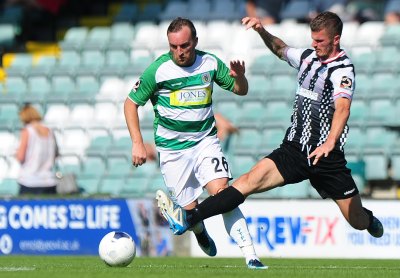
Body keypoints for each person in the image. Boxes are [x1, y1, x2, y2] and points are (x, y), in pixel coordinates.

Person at [157, 12, 384, 241]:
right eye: (312, 40)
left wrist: (330, 142)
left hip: (326, 157)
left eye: (320, 41)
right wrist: (261, 31)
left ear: (336, 39)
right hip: (294, 150)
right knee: (246, 182)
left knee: (356, 221)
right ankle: (189, 218)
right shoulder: (307, 57)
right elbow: (280, 49)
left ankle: (369, 219)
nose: (314, 45)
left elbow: (343, 108)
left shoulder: (343, 70)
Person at [124, 17, 267, 269]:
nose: (179, 52)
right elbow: (130, 103)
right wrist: (137, 142)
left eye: (185, 46)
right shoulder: (158, 71)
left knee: (224, 194)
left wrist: (241, 77)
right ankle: (200, 231)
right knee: (191, 211)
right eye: (174, 47)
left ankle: (251, 255)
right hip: (172, 151)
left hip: (205, 141)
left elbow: (240, 89)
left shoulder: (209, 63)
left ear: (195, 42)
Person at [16, 103, 59, 195]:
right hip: (48, 181)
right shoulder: (50, 131)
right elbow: (56, 155)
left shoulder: (27, 131)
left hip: (29, 181)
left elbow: (20, 156)